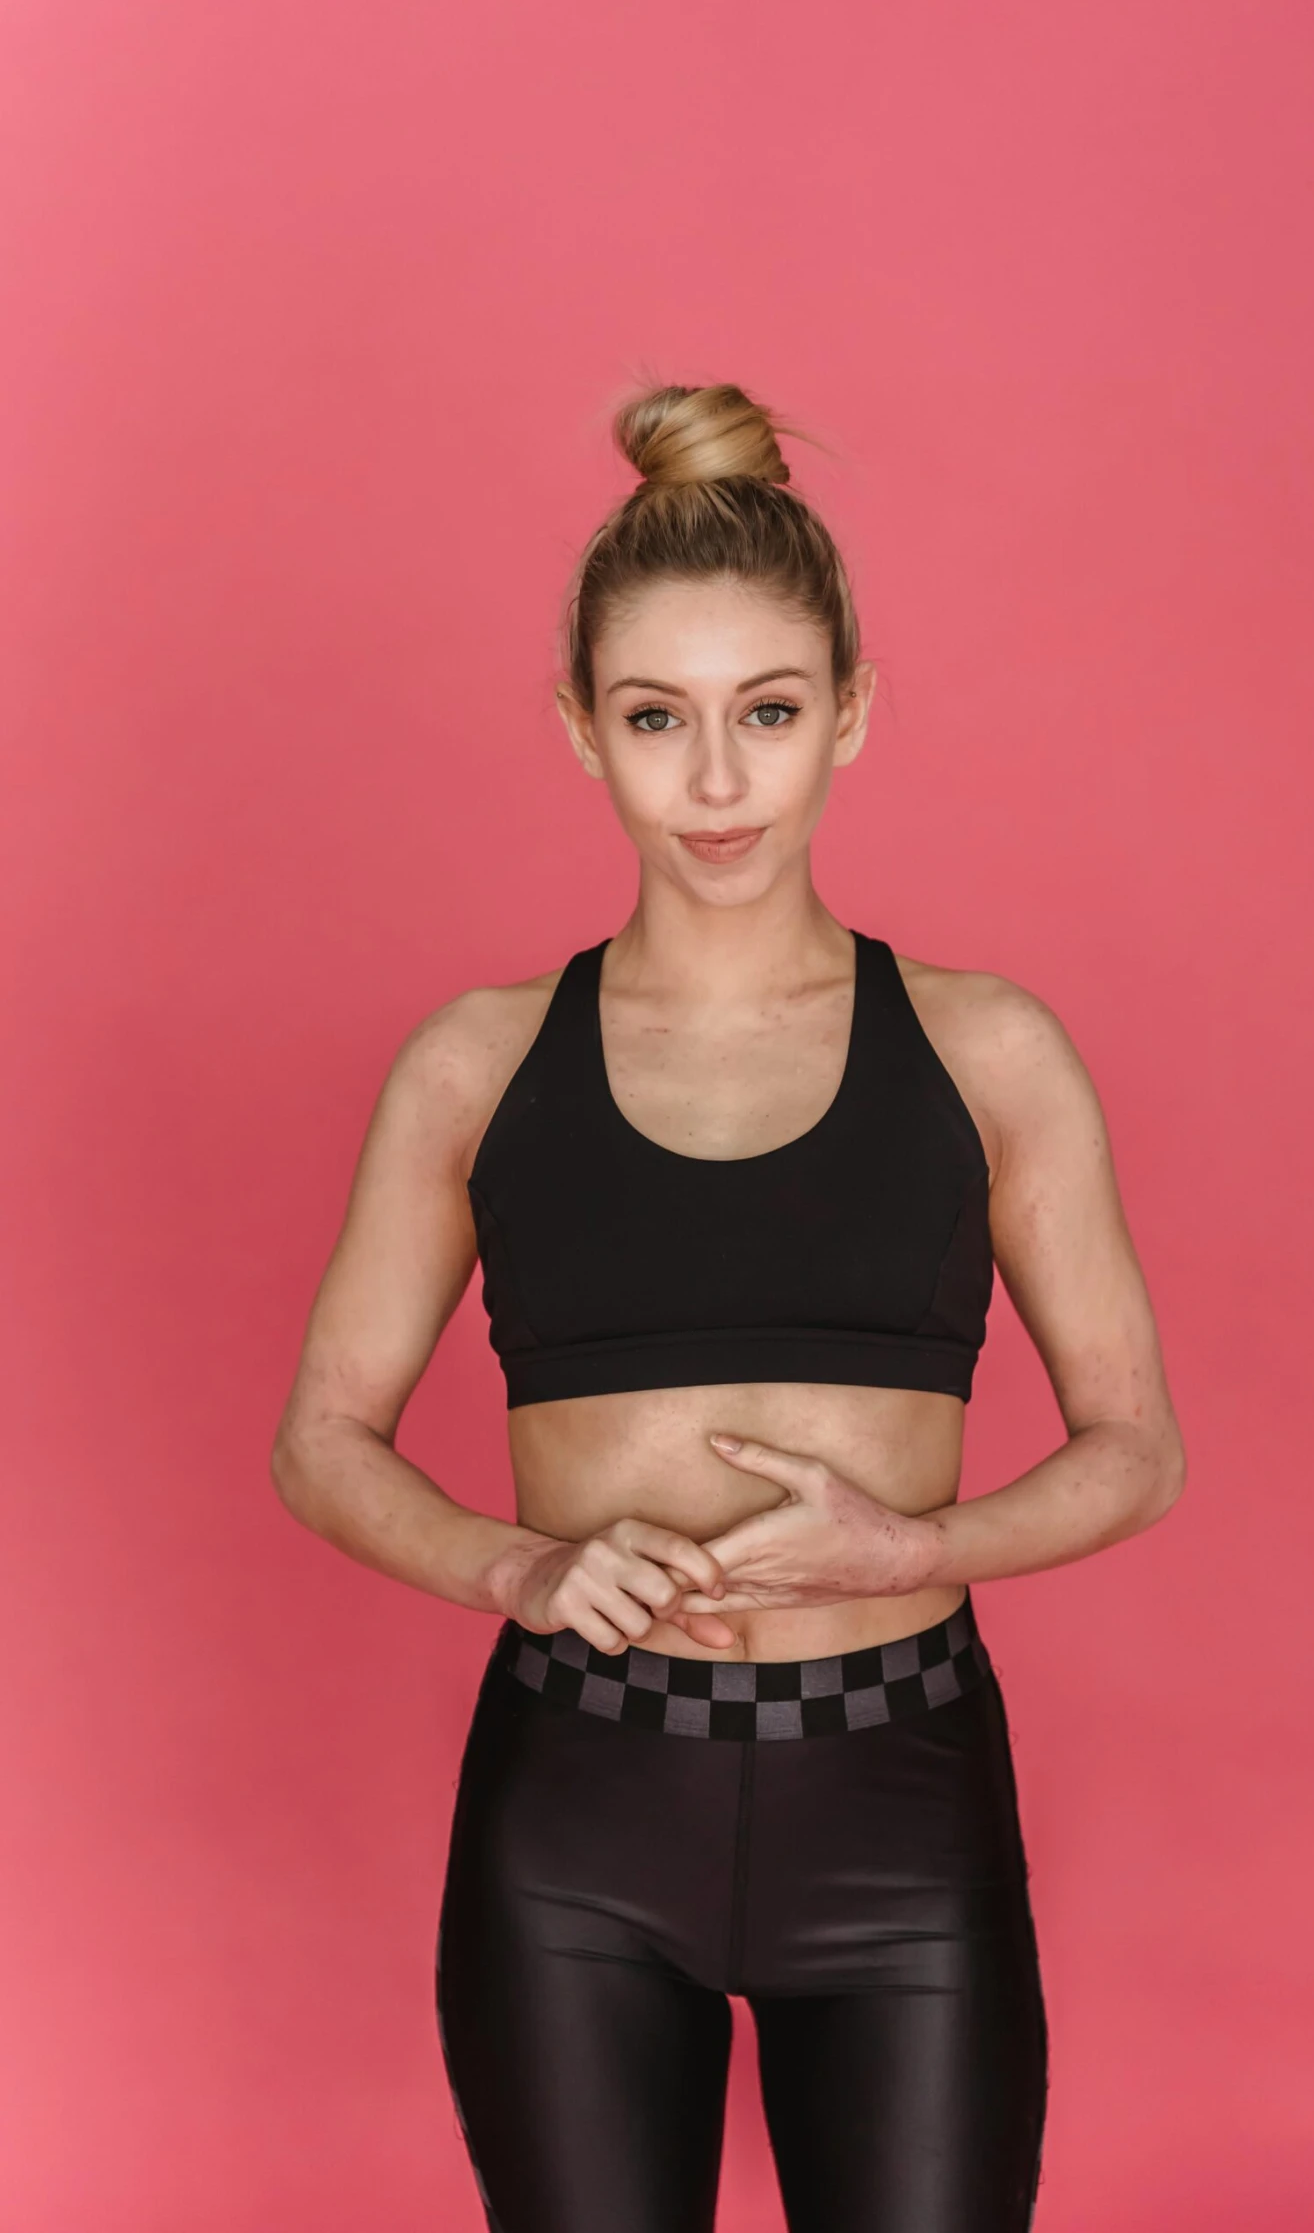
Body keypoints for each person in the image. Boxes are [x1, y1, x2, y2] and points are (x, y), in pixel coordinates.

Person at [270, 380, 1186, 2233]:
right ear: (577, 731)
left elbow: (1138, 1448)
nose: (715, 781)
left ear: (849, 711)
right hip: (579, 1820)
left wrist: (912, 1539)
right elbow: (321, 1436)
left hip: (902, 1799)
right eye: (654, 719)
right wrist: (508, 1571)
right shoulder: (477, 1064)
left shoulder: (987, 1051)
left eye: (766, 713)